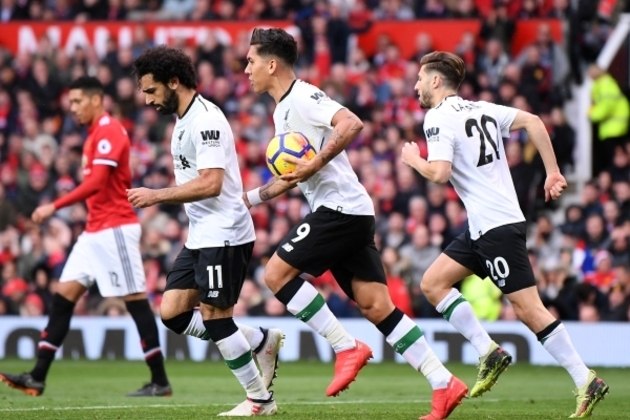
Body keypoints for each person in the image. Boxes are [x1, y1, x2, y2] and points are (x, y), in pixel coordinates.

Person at [243, 28, 467, 420]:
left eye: (251, 61)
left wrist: (315, 162)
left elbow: (351, 123)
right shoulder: (282, 110)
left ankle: (345, 346)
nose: (246, 69)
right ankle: (443, 382)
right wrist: (245, 200)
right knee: (376, 306)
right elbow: (291, 177)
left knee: (275, 274)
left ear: (272, 64)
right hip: (352, 212)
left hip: (340, 210)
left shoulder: (304, 97)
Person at [400, 51, 609, 418]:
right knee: (433, 283)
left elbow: (440, 173)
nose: (416, 85)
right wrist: (553, 171)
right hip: (484, 225)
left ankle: (584, 378)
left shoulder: (436, 118)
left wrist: (413, 159)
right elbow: (533, 121)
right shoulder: (483, 108)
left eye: (420, 78)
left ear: (436, 81)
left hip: (496, 227)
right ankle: (489, 352)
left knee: (529, 310)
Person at [128, 46, 281, 416]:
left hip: (224, 231)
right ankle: (260, 340)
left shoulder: (206, 120)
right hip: (202, 233)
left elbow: (212, 183)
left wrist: (156, 195)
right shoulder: (182, 120)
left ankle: (260, 401)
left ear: (174, 82)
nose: (147, 100)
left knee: (215, 316)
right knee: (173, 313)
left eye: (151, 91)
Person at [0, 76, 172, 397]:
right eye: (71, 102)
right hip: (94, 231)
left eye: (78, 101)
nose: (73, 108)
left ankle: (159, 380)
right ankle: (37, 376)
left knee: (135, 301)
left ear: (96, 100)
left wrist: (54, 205)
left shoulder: (108, 130)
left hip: (115, 228)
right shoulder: (94, 134)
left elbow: (96, 183)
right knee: (63, 296)